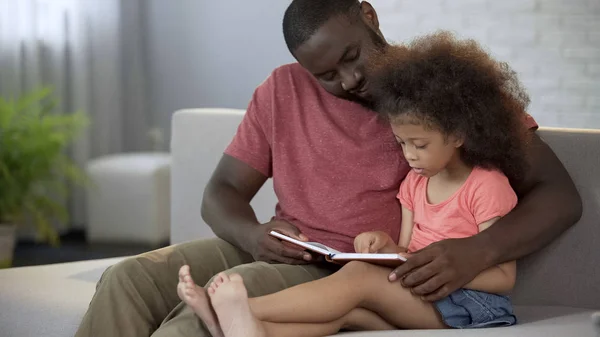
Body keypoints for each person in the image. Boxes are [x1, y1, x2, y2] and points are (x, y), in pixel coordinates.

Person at [75, 1, 582, 336]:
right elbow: (221, 192)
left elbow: (559, 195)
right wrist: (252, 234)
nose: (351, 79)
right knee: (127, 277)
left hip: (345, 271)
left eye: (352, 56)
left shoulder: (443, 90)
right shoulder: (281, 89)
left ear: (368, 14)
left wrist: (477, 251)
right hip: (282, 248)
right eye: (327, 76)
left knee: (207, 312)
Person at [175, 31, 530, 337]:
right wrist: (384, 245)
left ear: (458, 135)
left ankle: (237, 310)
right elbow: (403, 250)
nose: (410, 156)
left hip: (469, 305)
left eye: (419, 145)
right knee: (344, 314)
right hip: (417, 295)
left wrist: (446, 269)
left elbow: (504, 278)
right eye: (401, 144)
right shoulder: (414, 185)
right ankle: (236, 326)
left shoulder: (486, 186)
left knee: (359, 276)